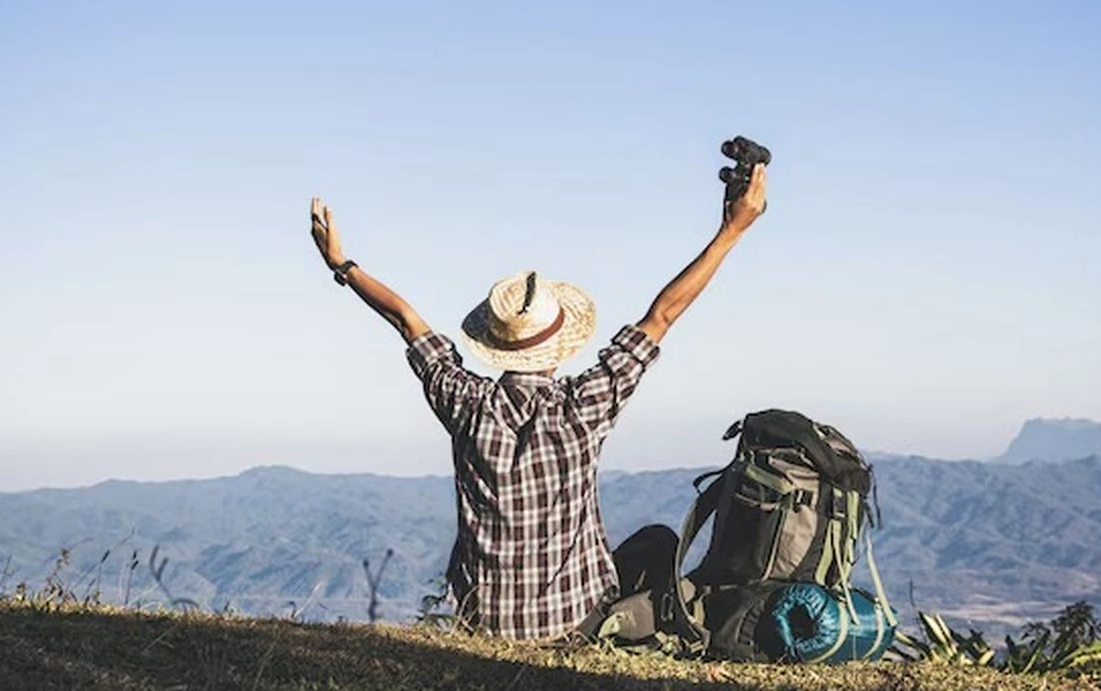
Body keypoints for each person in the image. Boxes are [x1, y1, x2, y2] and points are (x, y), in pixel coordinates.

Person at [308, 163, 767, 639]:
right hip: (575, 622)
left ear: (496, 341)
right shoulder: (585, 405)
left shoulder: (464, 401)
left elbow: (405, 319)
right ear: (561, 341)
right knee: (657, 544)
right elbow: (664, 314)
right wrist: (731, 230)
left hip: (483, 623)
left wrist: (340, 263)